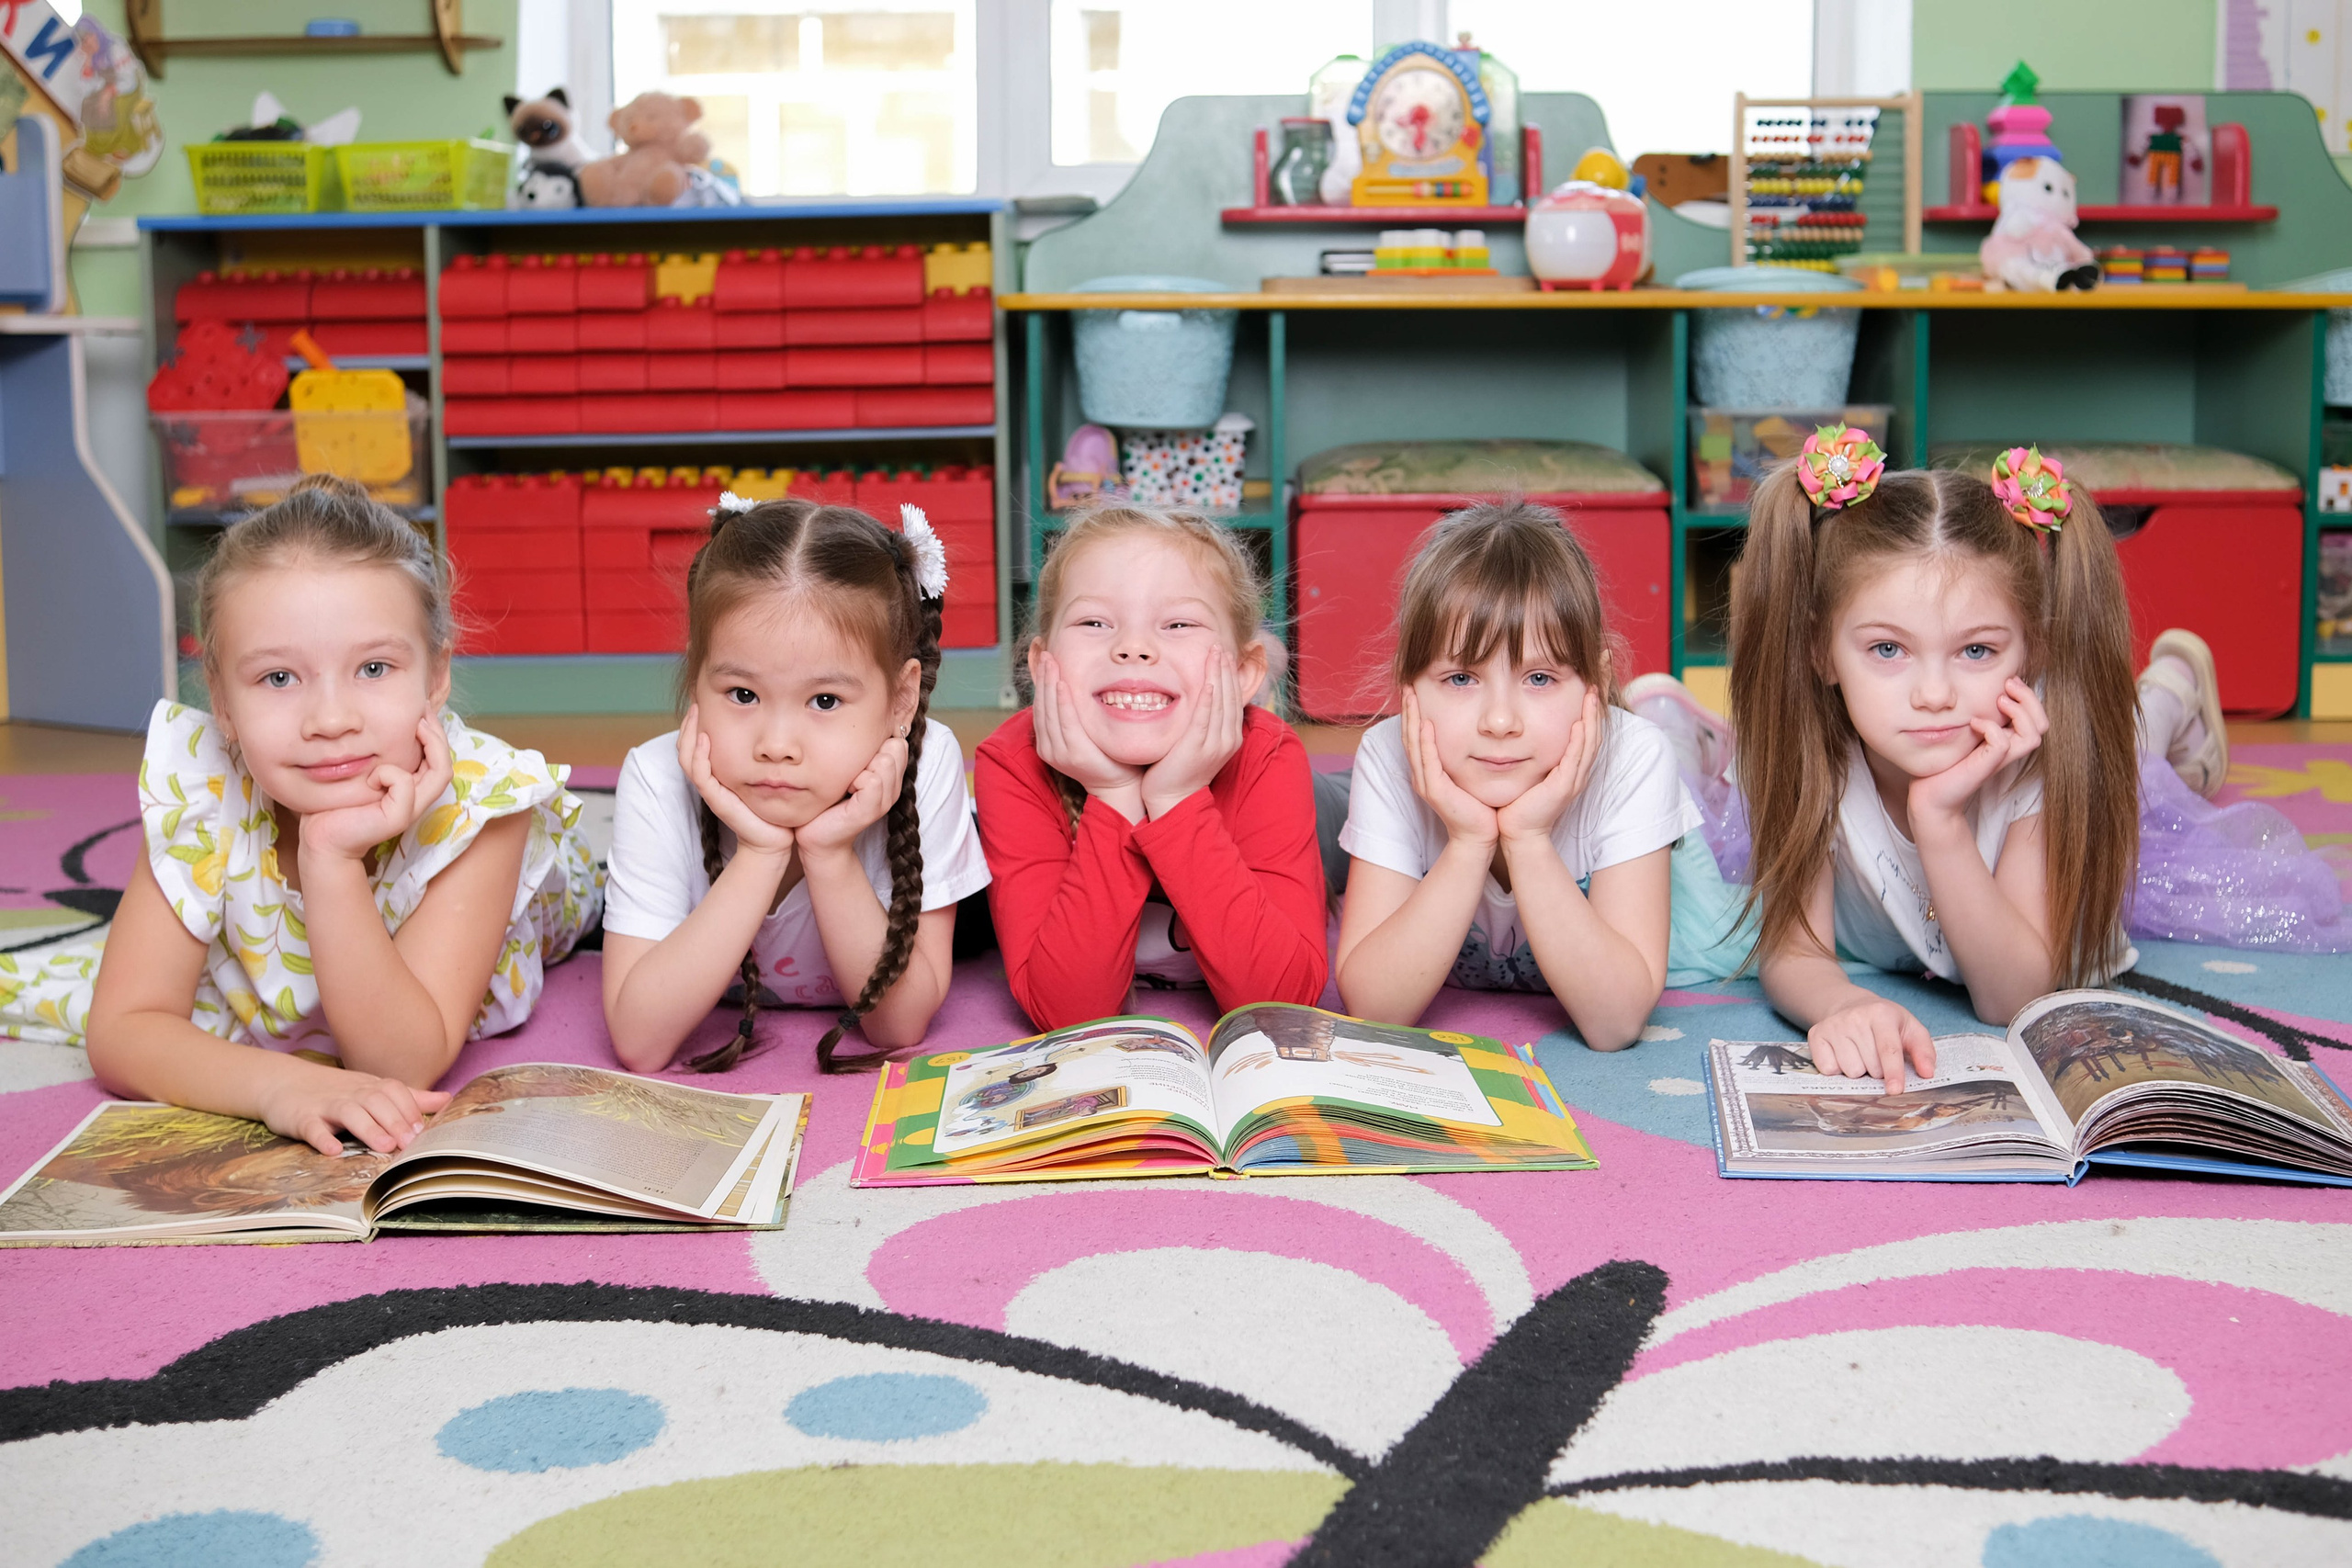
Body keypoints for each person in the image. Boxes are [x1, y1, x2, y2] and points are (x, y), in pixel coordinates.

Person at [13, 475, 601, 1155]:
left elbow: (402, 1062)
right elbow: (122, 1028)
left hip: (545, 898)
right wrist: (279, 1087)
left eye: (373, 668)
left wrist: (330, 858)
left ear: (436, 676)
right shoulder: (204, 782)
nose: (330, 720)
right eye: (279, 678)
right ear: (222, 703)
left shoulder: (485, 802)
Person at [1662, 433, 2152, 1091]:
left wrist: (1939, 819)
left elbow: (2010, 998)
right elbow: (1794, 950)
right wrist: (1842, 1002)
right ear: (1820, 651)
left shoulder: (2039, 762)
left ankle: (2172, 690)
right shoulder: (1813, 751)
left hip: (2061, 758)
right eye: (1888, 649)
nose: (1934, 694)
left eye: (1976, 651)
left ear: (2032, 650)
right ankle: (1685, 727)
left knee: (2142, 740)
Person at [602, 496, 987, 1074]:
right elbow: (640, 1041)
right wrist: (760, 853)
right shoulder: (656, 777)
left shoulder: (927, 762)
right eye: (743, 695)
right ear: (697, 677)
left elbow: (897, 1026)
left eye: (825, 701)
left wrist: (830, 853)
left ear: (901, 699)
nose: (777, 744)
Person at [1333, 501, 1737, 1048]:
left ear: (1595, 682)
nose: (1500, 721)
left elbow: (1615, 1024)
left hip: (1688, 881)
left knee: (1717, 834)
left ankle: (1681, 728)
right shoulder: (1386, 754)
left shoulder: (1634, 759)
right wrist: (1469, 841)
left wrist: (1527, 838)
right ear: (1409, 688)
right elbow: (1374, 1008)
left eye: (1540, 678)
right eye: (1460, 679)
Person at [976, 503, 1327, 1031]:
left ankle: (1263, 676)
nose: (1133, 647)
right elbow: (1068, 1014)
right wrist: (1114, 793)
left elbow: (1281, 1003)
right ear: (1041, 663)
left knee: (1351, 821)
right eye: (1094, 622)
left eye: (1179, 623)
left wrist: (1177, 800)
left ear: (1242, 672)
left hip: (1316, 805)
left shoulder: (1269, 754)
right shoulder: (1011, 761)